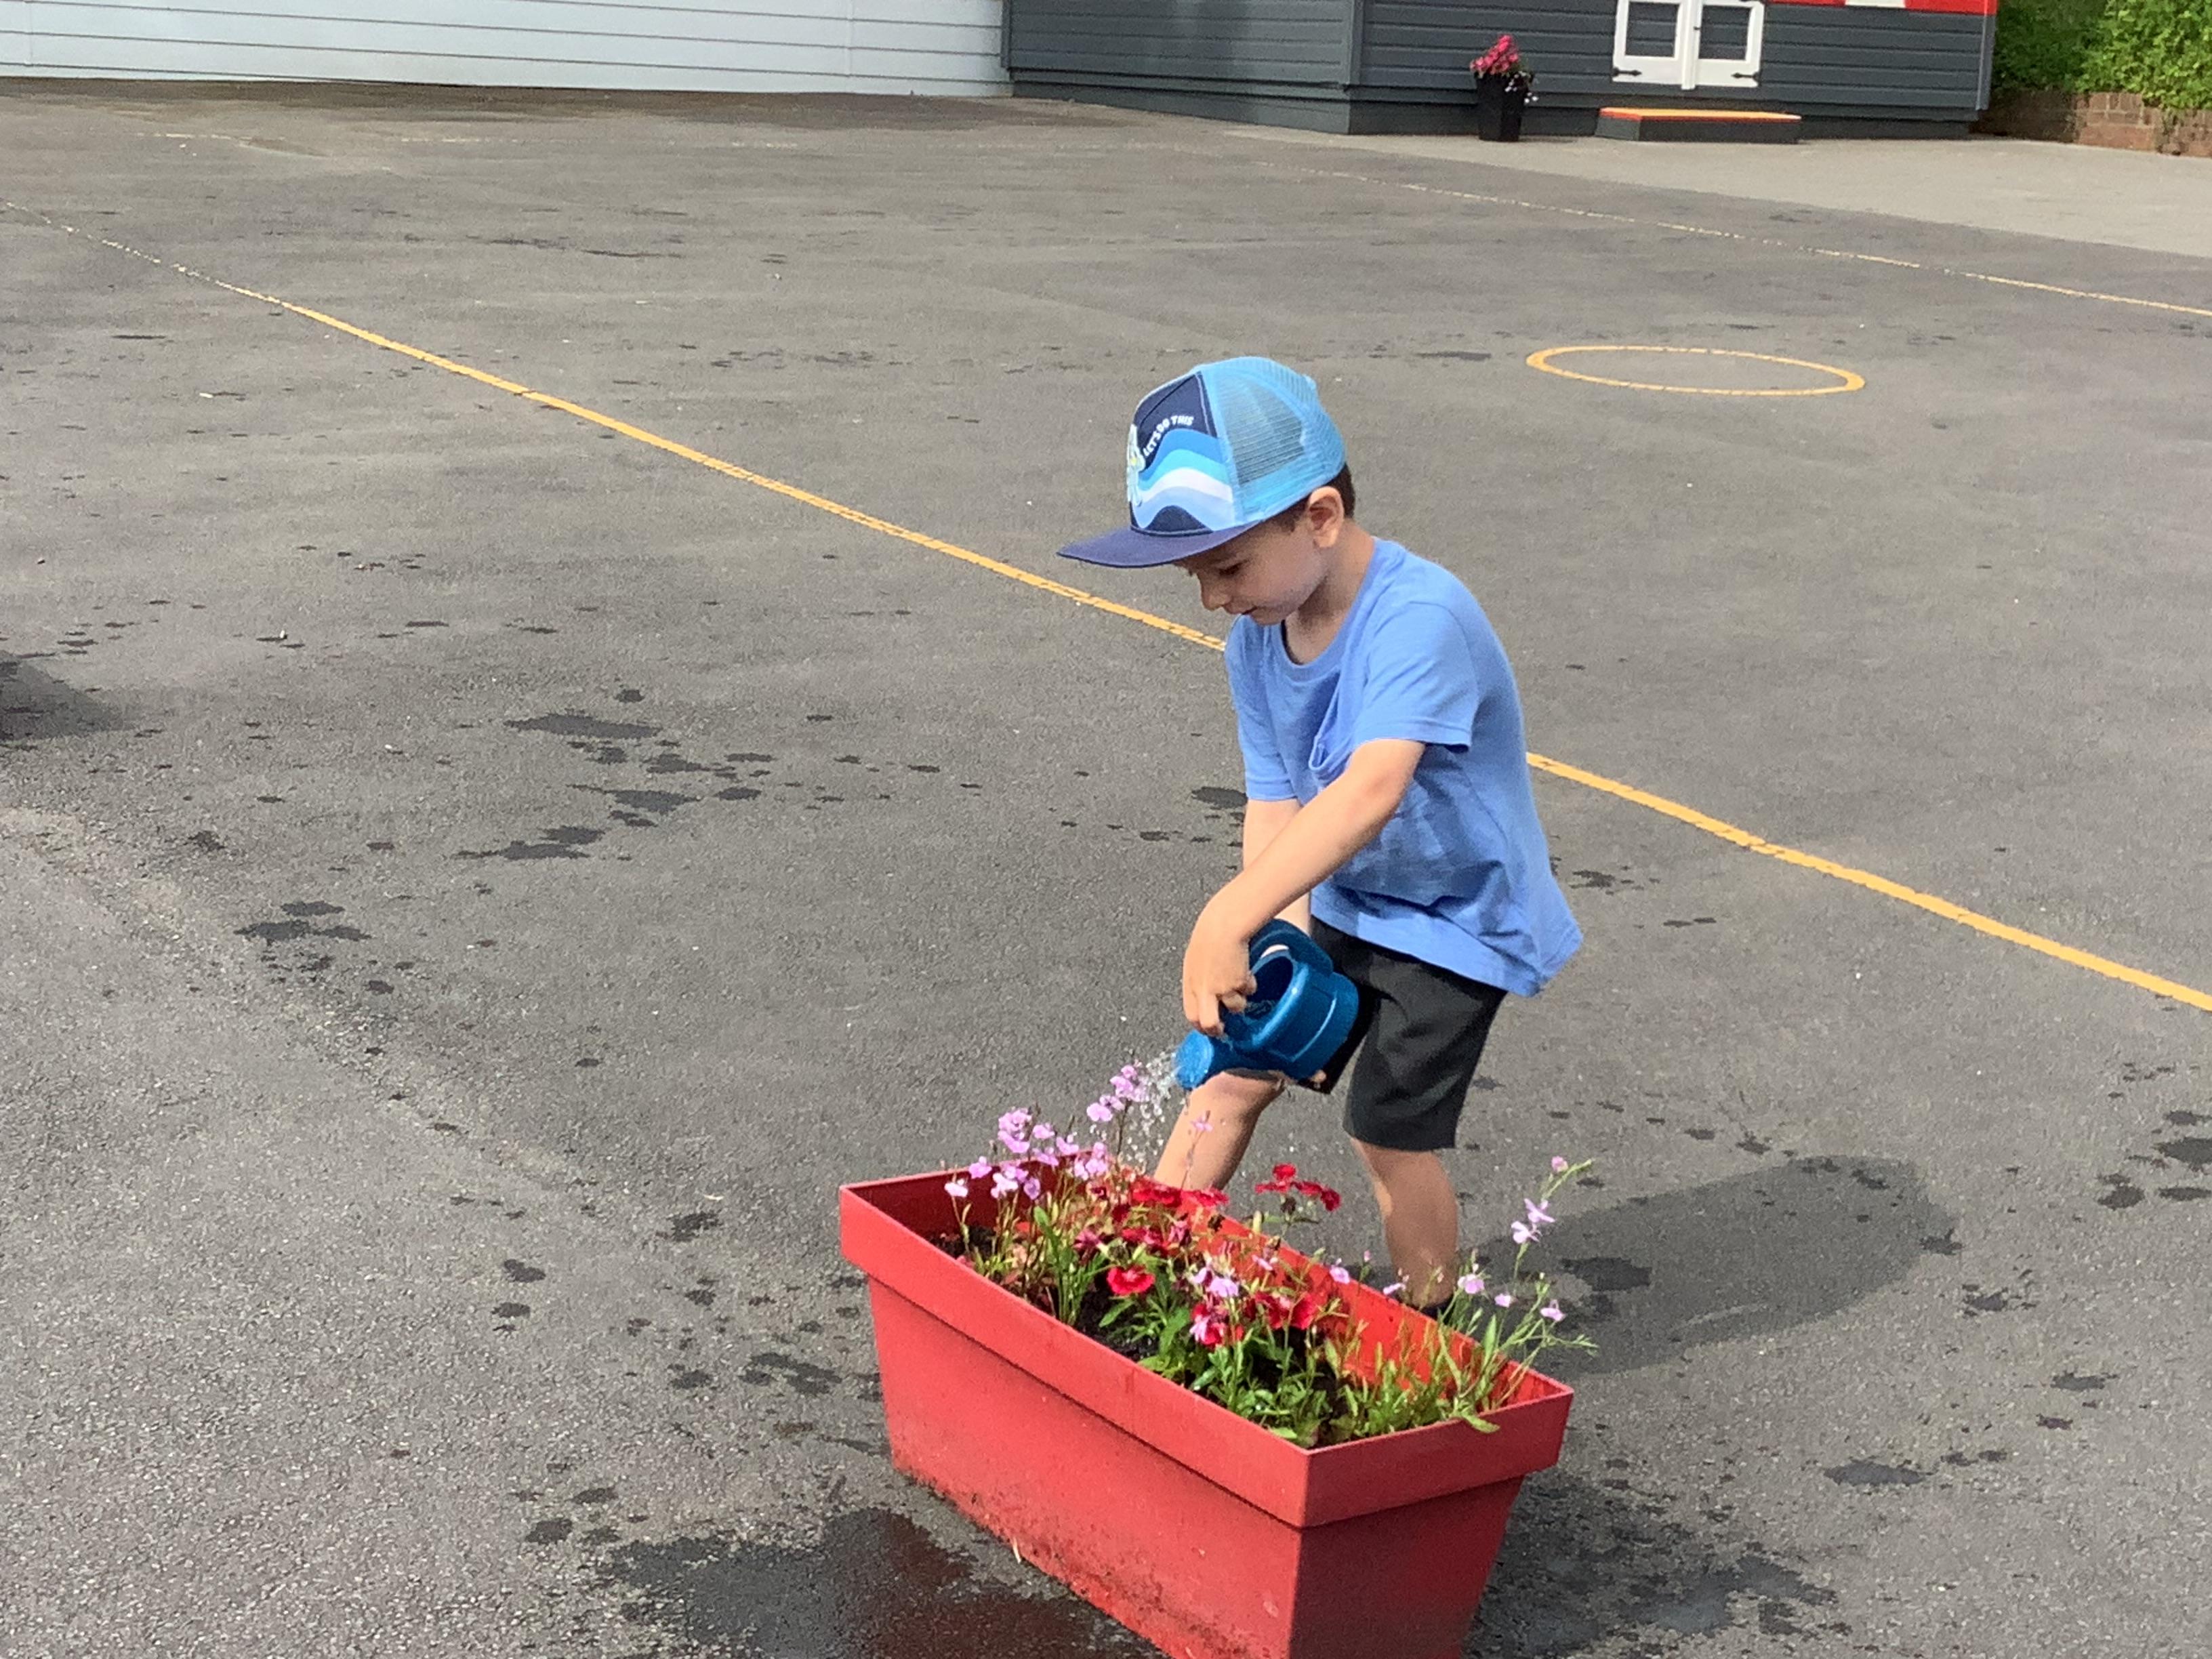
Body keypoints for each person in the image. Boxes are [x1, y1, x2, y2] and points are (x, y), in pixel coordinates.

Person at [1057, 356, 1580, 1309]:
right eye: (1194, 575)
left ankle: (1428, 1329)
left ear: (1322, 517)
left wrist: (1227, 916)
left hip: (1456, 918)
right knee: (1232, 1071)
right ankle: (1132, 1269)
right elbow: (1279, 803)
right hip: (1349, 894)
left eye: (1227, 567)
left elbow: (1371, 791)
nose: (1213, 597)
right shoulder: (1258, 639)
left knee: (1386, 1128)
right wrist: (1272, 937)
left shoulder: (1420, 618)